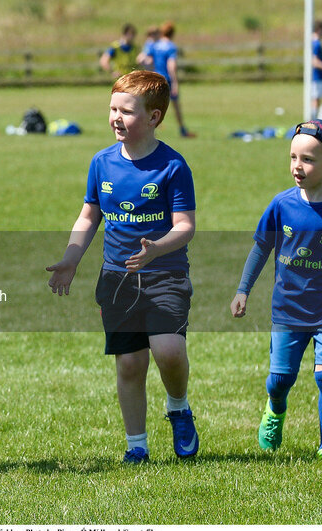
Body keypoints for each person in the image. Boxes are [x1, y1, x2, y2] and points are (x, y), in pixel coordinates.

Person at [47, 70, 199, 464]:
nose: (116, 117)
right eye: (112, 108)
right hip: (117, 280)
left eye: (126, 111)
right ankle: (137, 445)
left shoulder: (173, 167)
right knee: (130, 363)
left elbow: (185, 227)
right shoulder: (101, 163)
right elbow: (88, 216)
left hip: (165, 275)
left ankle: (178, 407)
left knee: (168, 350)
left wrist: (156, 248)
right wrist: (71, 258)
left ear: (154, 117)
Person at [230, 119, 322, 460]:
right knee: (280, 380)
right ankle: (275, 410)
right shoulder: (281, 205)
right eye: (293, 157)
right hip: (288, 310)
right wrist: (243, 290)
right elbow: (260, 248)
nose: (297, 166)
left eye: (307, 159)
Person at [149, 21, 194, 137]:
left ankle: (150, 131)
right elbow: (171, 65)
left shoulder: (155, 45)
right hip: (166, 80)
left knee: (153, 106)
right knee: (176, 106)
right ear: (172, 34)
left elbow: (148, 61)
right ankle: (182, 129)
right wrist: (175, 82)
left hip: (155, 79)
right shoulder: (171, 47)